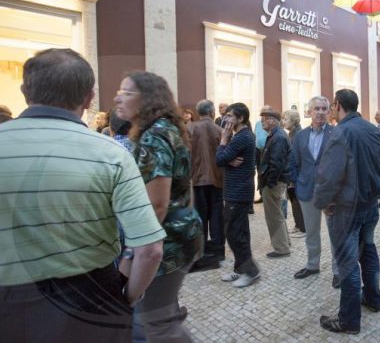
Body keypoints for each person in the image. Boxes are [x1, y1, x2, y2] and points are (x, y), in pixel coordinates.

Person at [0, 49, 165, 342]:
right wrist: (126, 298)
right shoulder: (111, 154)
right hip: (90, 296)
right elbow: (150, 250)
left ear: (25, 91)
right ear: (89, 98)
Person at [115, 71, 202, 342]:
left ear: (147, 99)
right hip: (179, 233)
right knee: (161, 318)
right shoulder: (167, 128)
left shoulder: (154, 135)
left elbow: (157, 204)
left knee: (157, 323)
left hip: (167, 240)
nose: (118, 97)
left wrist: (132, 254)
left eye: (127, 92)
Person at [314, 89, 380, 335]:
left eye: (332, 105)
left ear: (338, 105)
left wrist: (322, 201)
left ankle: (349, 320)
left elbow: (329, 174)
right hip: (369, 204)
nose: (330, 109)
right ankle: (373, 298)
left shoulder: (341, 131)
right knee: (368, 251)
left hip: (348, 208)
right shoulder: (371, 129)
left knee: (348, 263)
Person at [289, 96, 340, 286]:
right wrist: (297, 181)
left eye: (323, 109)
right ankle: (312, 264)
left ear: (329, 112)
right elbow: (293, 162)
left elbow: (342, 163)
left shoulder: (337, 133)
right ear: (309, 112)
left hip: (331, 194)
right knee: (311, 232)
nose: (320, 112)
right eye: (316, 109)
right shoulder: (300, 136)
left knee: (335, 234)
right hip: (307, 190)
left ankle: (338, 270)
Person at [216, 102, 261, 288]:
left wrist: (223, 141)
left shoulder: (241, 137)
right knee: (240, 231)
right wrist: (228, 160)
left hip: (238, 192)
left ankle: (251, 271)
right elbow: (225, 160)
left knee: (234, 234)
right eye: (226, 115)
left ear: (241, 118)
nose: (226, 119)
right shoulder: (242, 135)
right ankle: (240, 269)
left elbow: (219, 159)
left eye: (230, 116)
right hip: (237, 191)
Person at [189, 100, 225, 269]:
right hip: (217, 179)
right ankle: (219, 251)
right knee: (217, 217)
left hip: (196, 180)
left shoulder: (190, 129)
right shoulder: (220, 130)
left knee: (200, 218)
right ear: (212, 112)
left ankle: (201, 251)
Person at [259, 108, 292, 258]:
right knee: (277, 214)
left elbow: (276, 163)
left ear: (273, 120)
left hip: (274, 182)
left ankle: (281, 248)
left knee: (274, 216)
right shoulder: (276, 135)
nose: (262, 121)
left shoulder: (278, 137)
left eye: (265, 118)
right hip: (275, 181)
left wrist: (270, 182)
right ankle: (284, 243)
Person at [282, 109, 305, 237]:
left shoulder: (298, 135)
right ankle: (298, 225)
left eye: (286, 119)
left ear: (294, 121)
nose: (283, 122)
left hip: (297, 174)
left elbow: (297, 158)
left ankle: (303, 228)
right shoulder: (291, 134)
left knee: (298, 201)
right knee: (293, 200)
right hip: (292, 173)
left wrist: (293, 178)